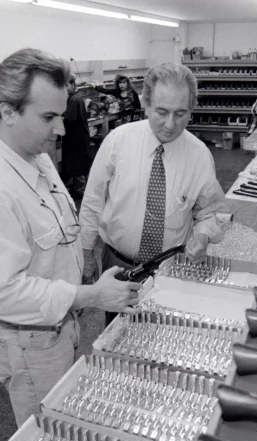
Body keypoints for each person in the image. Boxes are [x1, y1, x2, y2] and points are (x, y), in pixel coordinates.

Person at [0, 48, 141, 426]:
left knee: (66, 414)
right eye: (48, 117)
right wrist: (92, 295)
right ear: (7, 111)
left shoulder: (35, 159)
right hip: (29, 341)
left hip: (59, 325)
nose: (61, 129)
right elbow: (4, 294)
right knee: (49, 431)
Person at [80, 63, 227, 322]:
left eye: (181, 113)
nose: (170, 124)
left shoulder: (199, 156)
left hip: (171, 270)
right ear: (146, 104)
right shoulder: (118, 142)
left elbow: (208, 212)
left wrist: (202, 238)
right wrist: (86, 252)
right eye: (161, 112)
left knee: (163, 340)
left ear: (191, 110)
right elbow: (93, 200)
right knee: (116, 343)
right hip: (119, 267)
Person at [61, 74, 93, 197]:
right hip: (79, 137)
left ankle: (80, 191)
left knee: (77, 164)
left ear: (74, 84)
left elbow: (70, 118)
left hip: (76, 138)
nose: (65, 88)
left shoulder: (74, 99)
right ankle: (80, 188)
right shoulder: (75, 97)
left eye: (67, 85)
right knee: (80, 163)